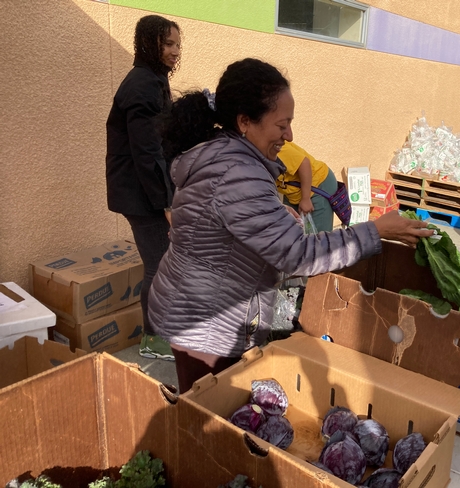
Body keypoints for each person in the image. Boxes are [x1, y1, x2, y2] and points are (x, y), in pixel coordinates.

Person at [147, 58, 434, 393]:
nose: (290, 135)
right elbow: (297, 256)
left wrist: (279, 216)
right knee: (207, 414)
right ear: (245, 122)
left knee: (217, 406)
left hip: (201, 305)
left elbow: (231, 222)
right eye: (281, 125)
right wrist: (377, 231)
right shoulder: (237, 173)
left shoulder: (228, 156)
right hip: (206, 322)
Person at [105, 15, 181, 361]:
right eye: (168, 44)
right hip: (142, 195)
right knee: (159, 266)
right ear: (149, 44)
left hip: (146, 192)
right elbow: (147, 152)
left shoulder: (153, 80)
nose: (175, 52)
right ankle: (154, 341)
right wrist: (166, 202)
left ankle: (162, 332)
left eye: (178, 45)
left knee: (162, 264)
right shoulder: (142, 85)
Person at [276, 142, 337, 231]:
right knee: (292, 232)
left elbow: (304, 163)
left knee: (319, 239)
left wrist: (305, 199)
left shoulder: (275, 147)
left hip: (317, 185)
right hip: (293, 192)